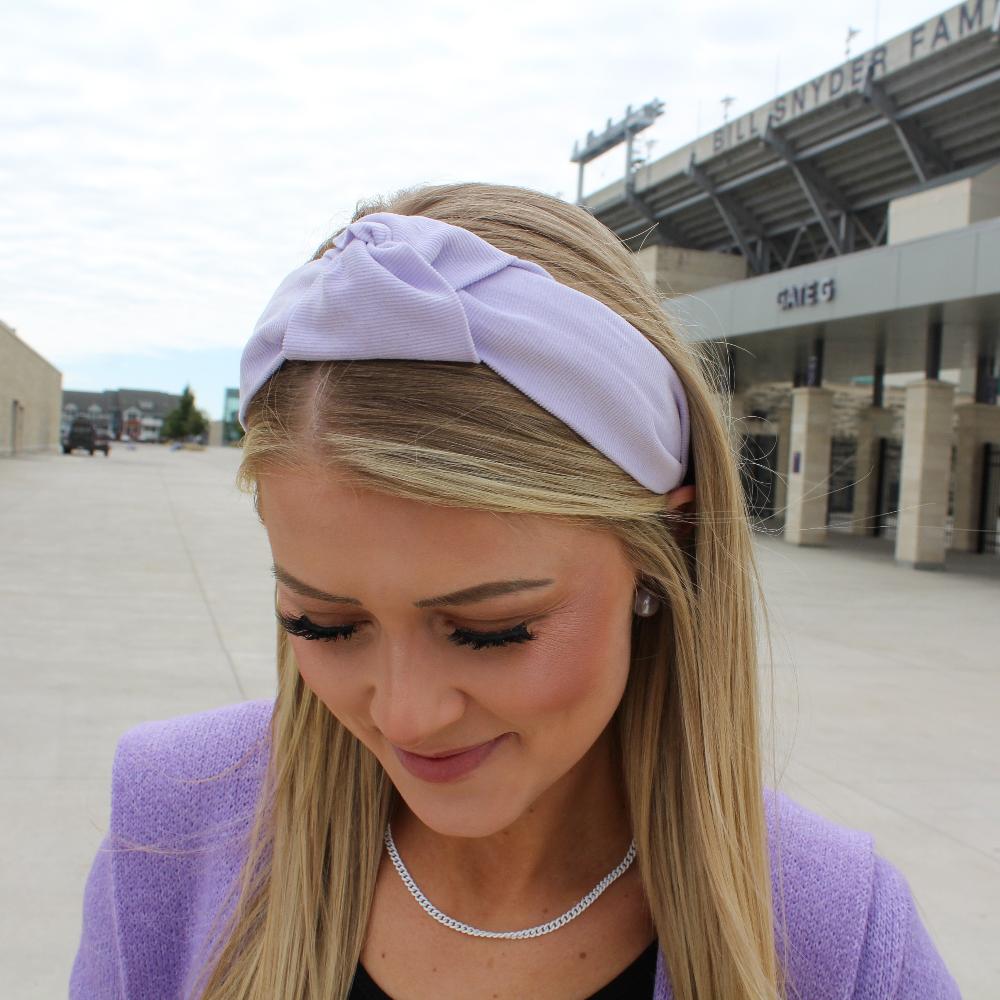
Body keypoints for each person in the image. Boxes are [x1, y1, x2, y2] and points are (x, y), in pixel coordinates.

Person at [70, 182, 961, 1000]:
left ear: (667, 550)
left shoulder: (840, 936)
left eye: (491, 629)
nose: (408, 717)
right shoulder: (170, 830)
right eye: (325, 624)